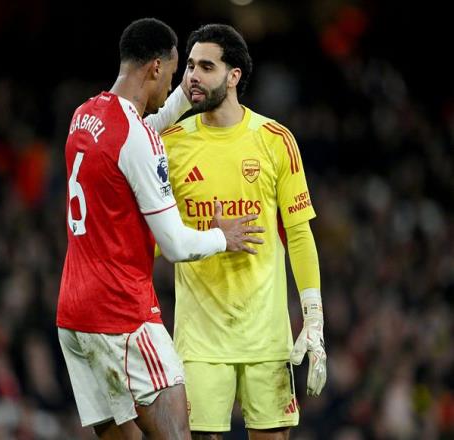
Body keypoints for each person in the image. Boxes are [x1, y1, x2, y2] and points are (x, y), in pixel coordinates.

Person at [56, 18, 265, 440]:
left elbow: (132, 138)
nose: (174, 81)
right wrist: (223, 236)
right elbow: (175, 245)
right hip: (122, 315)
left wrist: (182, 99)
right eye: (172, 72)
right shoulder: (137, 138)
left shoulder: (86, 114)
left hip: (74, 315)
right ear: (155, 67)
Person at [161, 24, 327, 439]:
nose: (193, 76)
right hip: (200, 342)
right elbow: (155, 239)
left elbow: (299, 235)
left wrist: (314, 319)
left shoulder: (275, 140)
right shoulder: (170, 144)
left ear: (233, 75)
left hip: (265, 339)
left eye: (206, 67)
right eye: (190, 66)